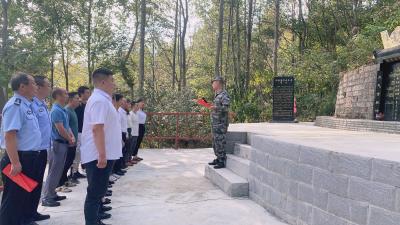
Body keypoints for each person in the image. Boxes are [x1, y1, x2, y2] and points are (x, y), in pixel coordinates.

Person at [80, 68, 122, 225]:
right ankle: (91, 222)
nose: (114, 84)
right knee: (95, 193)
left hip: (104, 154)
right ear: (103, 82)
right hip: (98, 155)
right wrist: (102, 155)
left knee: (98, 191)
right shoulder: (99, 100)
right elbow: (97, 128)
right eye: (112, 81)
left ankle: (95, 219)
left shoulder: (103, 99)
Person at [0, 73, 42, 225]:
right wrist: (15, 163)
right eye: (33, 83)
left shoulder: (26, 104)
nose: (36, 86)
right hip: (19, 158)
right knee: (13, 201)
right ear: (22, 86)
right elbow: (9, 136)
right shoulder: (15, 105)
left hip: (29, 157)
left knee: (23, 197)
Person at [42, 88, 75, 207]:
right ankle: (46, 197)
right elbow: (60, 128)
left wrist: (71, 136)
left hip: (63, 142)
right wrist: (69, 138)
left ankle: (52, 193)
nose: (67, 96)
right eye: (65, 94)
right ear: (58, 96)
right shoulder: (56, 110)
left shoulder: (62, 110)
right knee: (54, 171)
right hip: (57, 143)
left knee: (58, 170)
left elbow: (67, 126)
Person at [28, 75, 52, 223]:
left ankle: (33, 211)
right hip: (33, 150)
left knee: (37, 183)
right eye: (48, 85)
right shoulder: (31, 105)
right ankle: (27, 215)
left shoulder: (43, 104)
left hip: (43, 149)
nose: (50, 88)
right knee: (30, 184)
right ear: (39, 87)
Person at [58, 92, 80, 191]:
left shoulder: (73, 110)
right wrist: (70, 138)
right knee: (66, 162)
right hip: (68, 142)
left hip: (73, 141)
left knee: (70, 161)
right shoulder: (67, 110)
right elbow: (66, 127)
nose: (78, 100)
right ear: (71, 100)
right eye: (76, 98)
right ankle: (61, 183)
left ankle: (65, 180)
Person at [208, 76, 230, 169]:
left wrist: (215, 108)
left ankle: (222, 161)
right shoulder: (217, 94)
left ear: (218, 83)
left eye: (213, 82)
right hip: (215, 123)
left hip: (221, 124)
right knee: (215, 142)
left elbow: (226, 108)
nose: (212, 84)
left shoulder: (224, 94)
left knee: (220, 142)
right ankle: (218, 157)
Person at [71, 86, 91, 181]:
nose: (89, 94)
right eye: (87, 92)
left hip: (85, 131)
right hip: (77, 131)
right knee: (77, 152)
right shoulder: (77, 105)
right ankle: (73, 172)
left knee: (81, 153)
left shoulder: (88, 104)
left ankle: (78, 170)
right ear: (81, 94)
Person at [126, 101, 139, 166]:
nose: (138, 107)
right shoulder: (130, 114)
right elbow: (129, 124)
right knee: (130, 147)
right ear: (133, 106)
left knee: (133, 147)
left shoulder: (136, 114)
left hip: (136, 133)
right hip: (132, 133)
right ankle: (127, 160)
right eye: (136, 105)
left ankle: (130, 159)